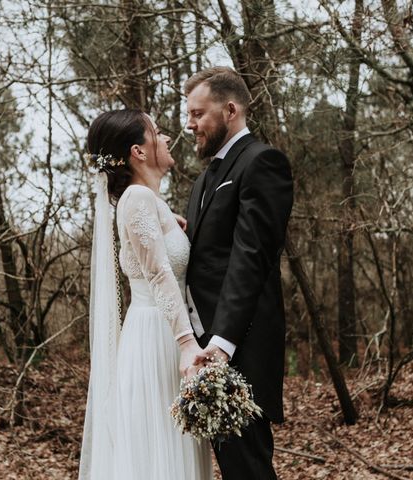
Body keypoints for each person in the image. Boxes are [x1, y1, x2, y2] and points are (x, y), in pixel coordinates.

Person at [77, 109, 213, 480]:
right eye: (158, 133)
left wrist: (176, 228)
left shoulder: (145, 200)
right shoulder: (137, 198)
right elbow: (158, 273)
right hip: (159, 337)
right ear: (138, 151)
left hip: (159, 329)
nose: (167, 138)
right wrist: (187, 343)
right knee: (161, 454)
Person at [184, 67, 294, 480]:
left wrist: (222, 345)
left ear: (230, 109)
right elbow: (206, 259)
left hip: (238, 347)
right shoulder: (202, 181)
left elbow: (251, 257)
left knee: (249, 469)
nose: (190, 123)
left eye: (198, 114)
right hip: (206, 347)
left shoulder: (262, 162)